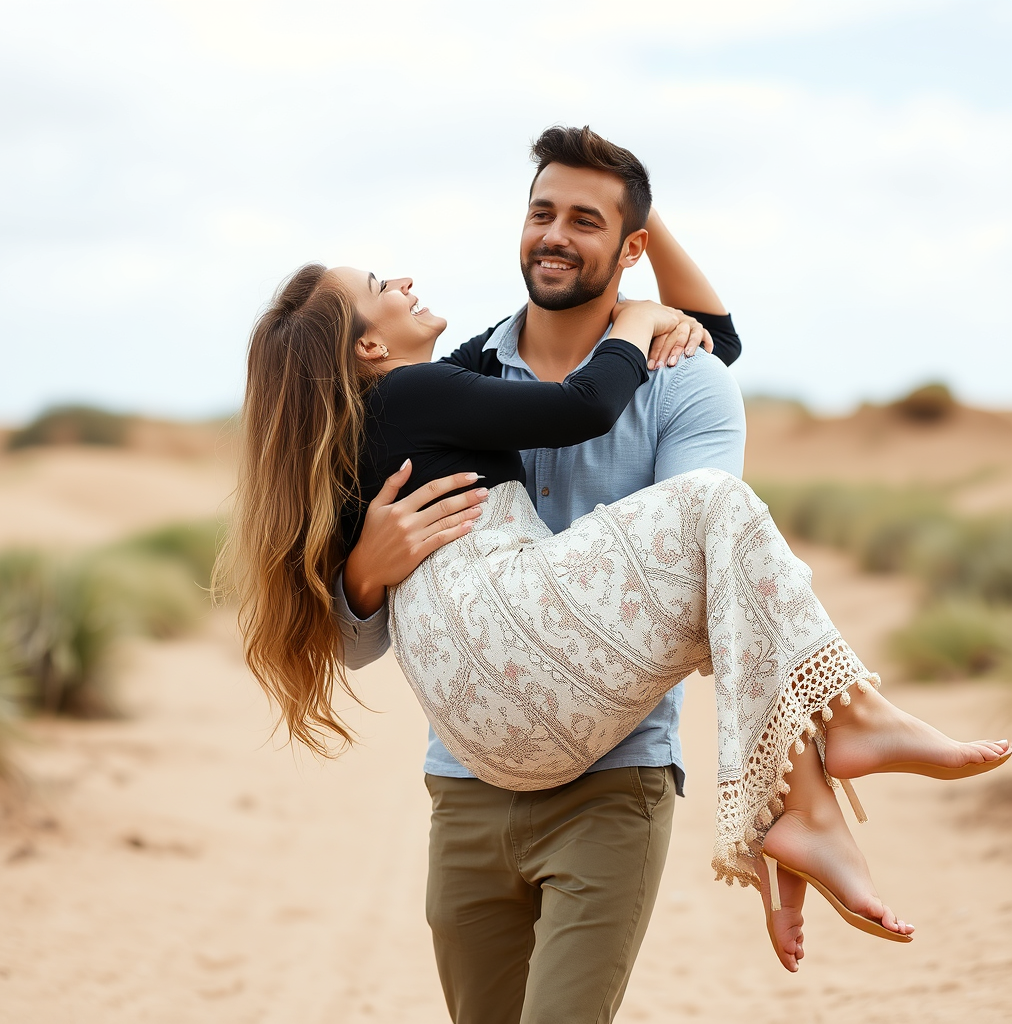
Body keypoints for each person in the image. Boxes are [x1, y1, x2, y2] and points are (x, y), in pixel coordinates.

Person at [218, 129, 1010, 1022]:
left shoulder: (679, 382)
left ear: (634, 246)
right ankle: (827, 757)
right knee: (719, 507)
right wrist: (364, 573)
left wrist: (643, 261)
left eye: (587, 219)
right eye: (541, 211)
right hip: (470, 778)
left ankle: (816, 785)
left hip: (607, 770)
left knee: (715, 512)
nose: (553, 234)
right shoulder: (459, 375)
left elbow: (711, 351)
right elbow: (581, 413)